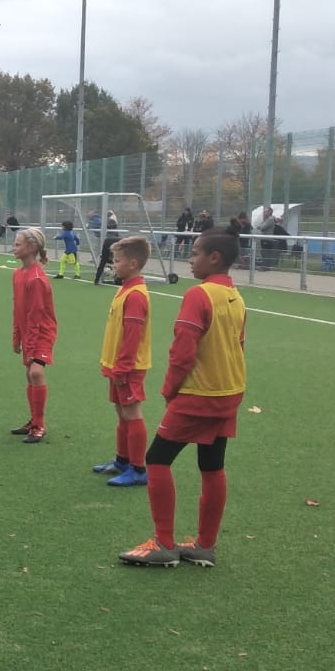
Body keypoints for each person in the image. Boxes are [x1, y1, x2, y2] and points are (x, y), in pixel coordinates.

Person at [118, 230, 245, 568]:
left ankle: (163, 543)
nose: (190, 258)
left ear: (214, 258)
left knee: (157, 459)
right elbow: (239, 345)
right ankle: (205, 545)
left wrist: (170, 389)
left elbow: (183, 352)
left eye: (196, 252)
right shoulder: (235, 296)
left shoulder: (198, 295)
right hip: (229, 391)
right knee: (212, 464)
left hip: (198, 393)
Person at [94, 236, 154, 487]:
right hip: (116, 364)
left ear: (133, 263)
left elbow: (132, 335)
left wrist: (123, 367)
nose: (113, 265)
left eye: (117, 261)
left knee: (131, 413)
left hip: (128, 367)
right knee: (121, 412)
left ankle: (138, 469)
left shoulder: (136, 295)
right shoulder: (126, 289)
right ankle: (122, 460)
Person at [10, 228, 57, 444]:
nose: (14, 247)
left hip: (41, 332)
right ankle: (33, 421)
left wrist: (29, 343)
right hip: (28, 330)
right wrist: (16, 336)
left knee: (36, 372)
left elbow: (36, 316)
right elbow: (18, 308)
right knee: (30, 374)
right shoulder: (18, 274)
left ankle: (39, 425)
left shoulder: (36, 279)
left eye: (18, 244)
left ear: (31, 248)